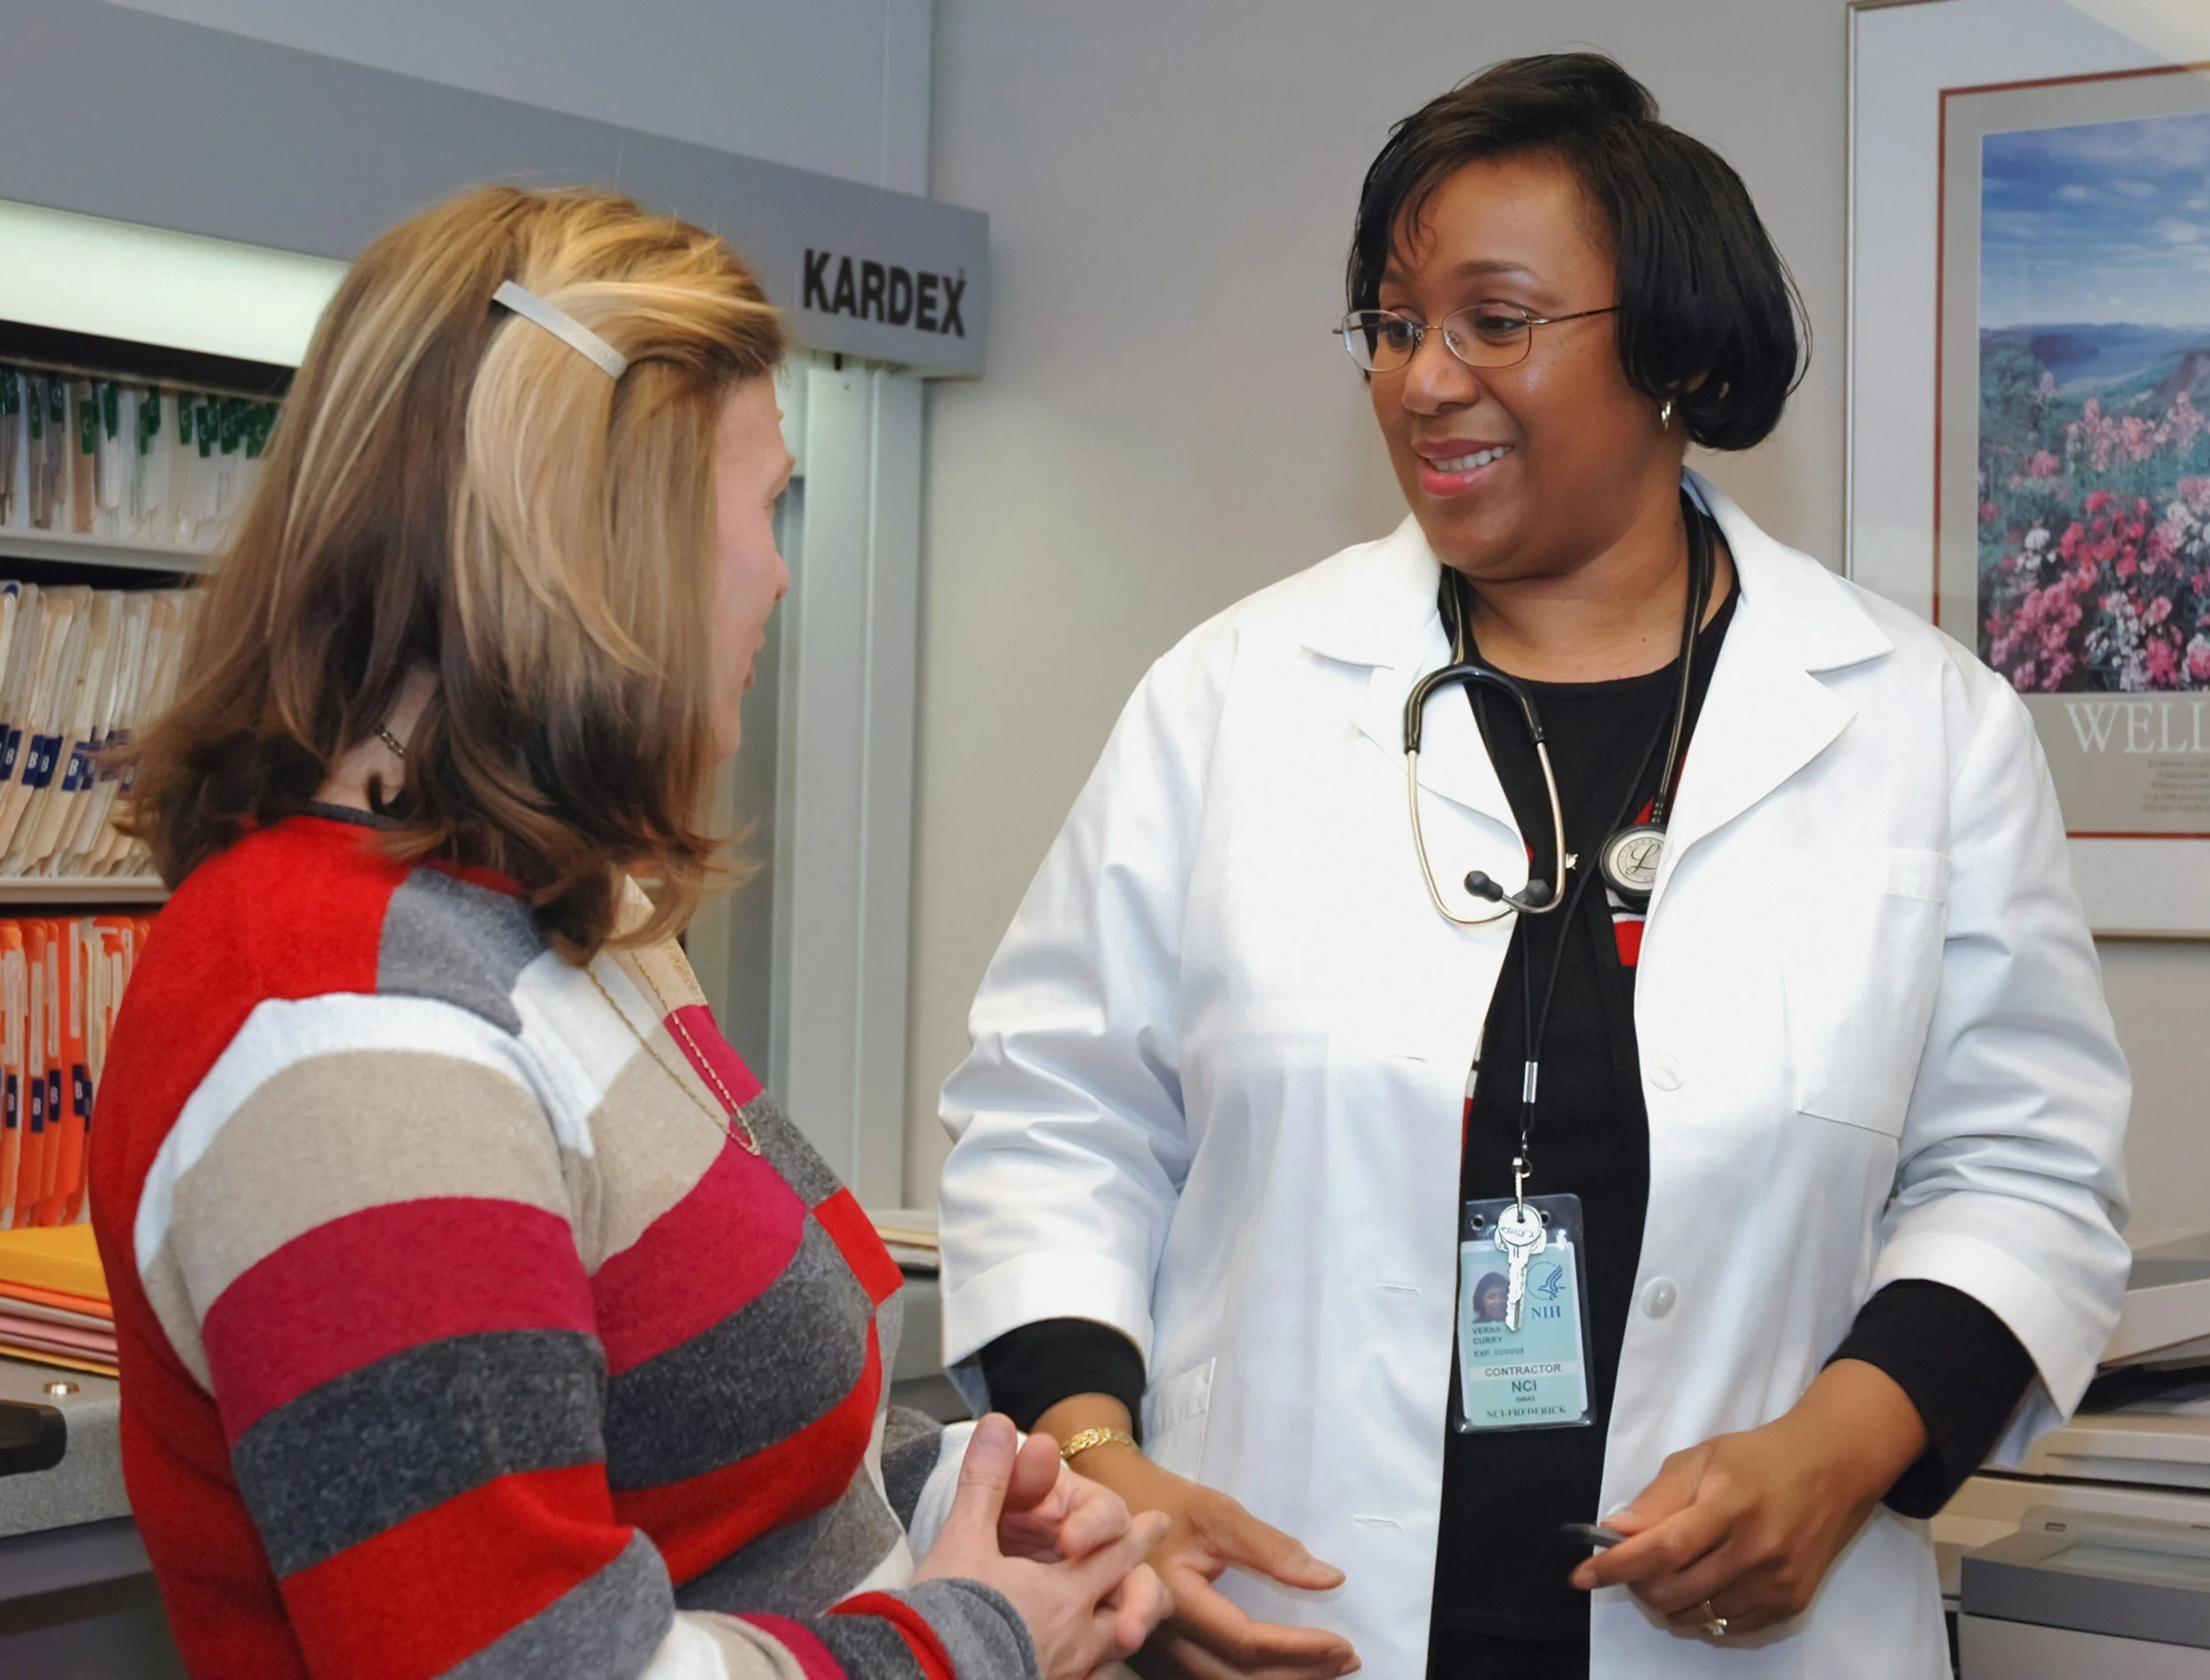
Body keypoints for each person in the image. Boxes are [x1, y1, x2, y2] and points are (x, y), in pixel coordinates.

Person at [934, 54, 2129, 1679]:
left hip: (1741, 1630)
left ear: (1668, 351)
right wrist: (1098, 1471)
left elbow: (2025, 1178)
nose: (1426, 379)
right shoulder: (1233, 698)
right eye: (1394, 322)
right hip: (1286, 1608)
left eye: (1495, 322)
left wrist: (1841, 1455)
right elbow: (1054, 1119)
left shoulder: (1921, 729)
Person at [88, 184, 1170, 1680]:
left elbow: (712, 1464)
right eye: (764, 500)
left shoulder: (564, 924)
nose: (779, 572)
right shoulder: (347, 1042)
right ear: (618, 543)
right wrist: (973, 1641)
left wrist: (959, 1503)